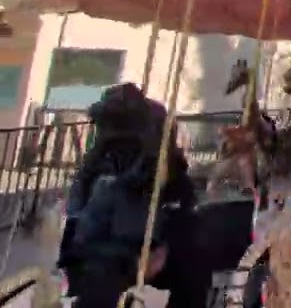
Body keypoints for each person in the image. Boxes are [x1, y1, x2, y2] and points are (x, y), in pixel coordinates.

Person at [58, 83, 212, 308]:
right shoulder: (102, 172)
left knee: (192, 263)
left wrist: (164, 249)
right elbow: (80, 227)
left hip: (150, 244)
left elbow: (182, 209)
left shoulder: (162, 167)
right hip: (110, 254)